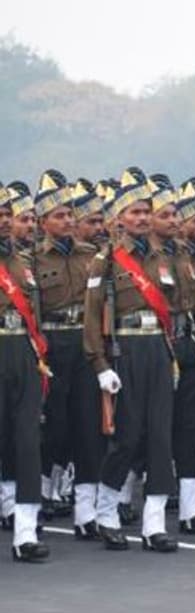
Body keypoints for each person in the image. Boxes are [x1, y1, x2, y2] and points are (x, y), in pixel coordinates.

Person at [83, 167, 180, 552]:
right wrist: (100, 365)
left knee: (160, 436)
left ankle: (153, 523)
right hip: (123, 351)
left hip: (157, 349)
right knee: (126, 437)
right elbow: (92, 317)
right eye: (134, 212)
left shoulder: (161, 257)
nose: (141, 218)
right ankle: (106, 512)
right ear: (119, 218)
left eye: (145, 211)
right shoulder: (104, 262)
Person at [32, 171, 103, 535]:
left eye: (69, 215)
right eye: (59, 216)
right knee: (54, 426)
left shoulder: (91, 255)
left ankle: (86, 510)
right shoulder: (33, 259)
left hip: (85, 343)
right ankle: (44, 490)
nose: (67, 221)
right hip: (53, 347)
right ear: (43, 222)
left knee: (89, 426)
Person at [0, 181, 52, 561]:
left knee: (28, 440)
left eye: (6, 214)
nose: (4, 221)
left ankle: (26, 531)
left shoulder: (22, 262)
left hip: (22, 352)